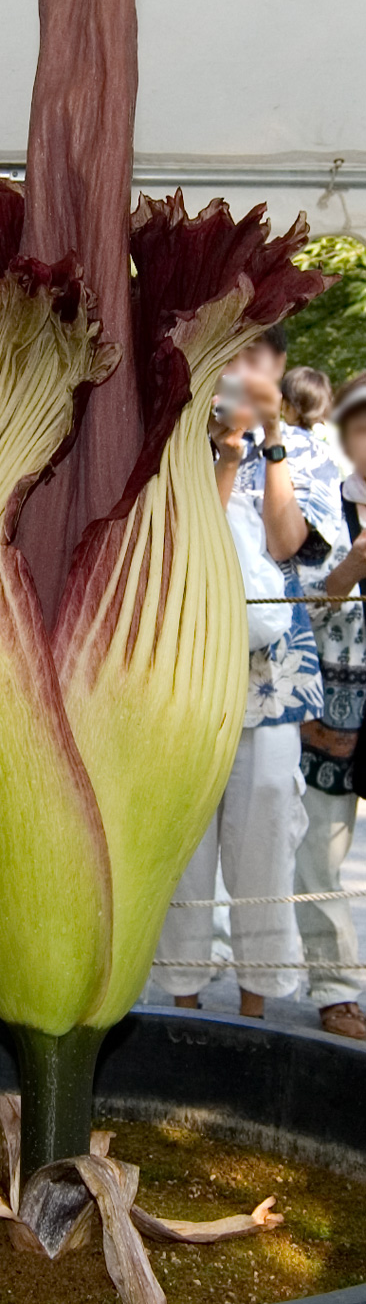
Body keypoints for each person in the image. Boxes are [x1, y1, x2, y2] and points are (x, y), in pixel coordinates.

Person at [155, 327, 341, 1018]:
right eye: (236, 359)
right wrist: (226, 456)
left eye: (262, 361)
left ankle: (258, 1012)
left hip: (275, 681)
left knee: (265, 834)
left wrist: (269, 441)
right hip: (185, 681)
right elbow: (178, 541)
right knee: (184, 846)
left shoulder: (306, 452)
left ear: (280, 368)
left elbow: (290, 543)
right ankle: (182, 1005)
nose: (248, 373)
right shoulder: (174, 442)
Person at [296, 373, 366, 1037]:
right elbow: (307, 600)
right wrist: (355, 563)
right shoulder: (321, 501)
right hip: (338, 700)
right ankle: (336, 989)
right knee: (322, 843)